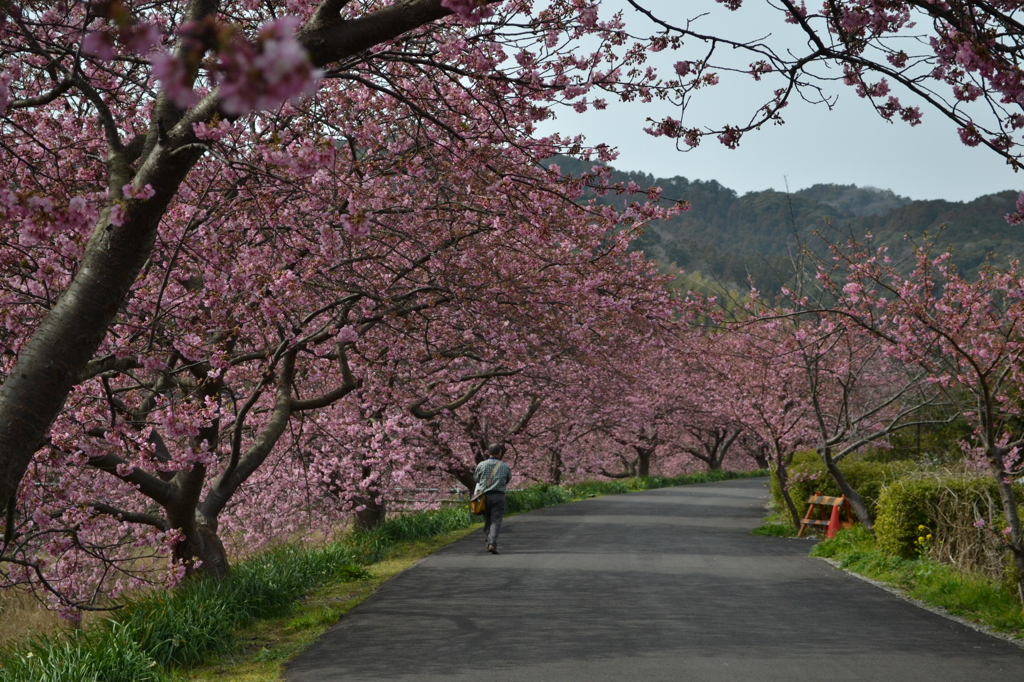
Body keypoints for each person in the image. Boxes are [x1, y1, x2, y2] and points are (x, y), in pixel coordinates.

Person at [473, 443, 513, 554]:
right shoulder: (505, 466)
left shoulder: (481, 465)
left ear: (488, 453)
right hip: (499, 496)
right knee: (496, 521)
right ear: (500, 453)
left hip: (484, 496)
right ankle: (492, 543)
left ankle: (488, 542)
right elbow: (508, 479)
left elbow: (476, 478)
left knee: (487, 519)